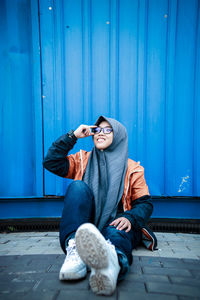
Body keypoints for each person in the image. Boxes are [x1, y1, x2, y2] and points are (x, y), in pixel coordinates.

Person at [43, 116, 157, 295]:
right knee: (77, 187)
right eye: (97, 130)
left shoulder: (133, 168)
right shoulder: (83, 160)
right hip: (86, 227)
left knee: (116, 230)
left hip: (117, 224)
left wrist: (130, 217)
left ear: (118, 135)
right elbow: (51, 162)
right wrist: (72, 136)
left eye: (107, 130)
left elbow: (145, 204)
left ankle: (111, 265)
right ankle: (76, 250)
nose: (100, 134)